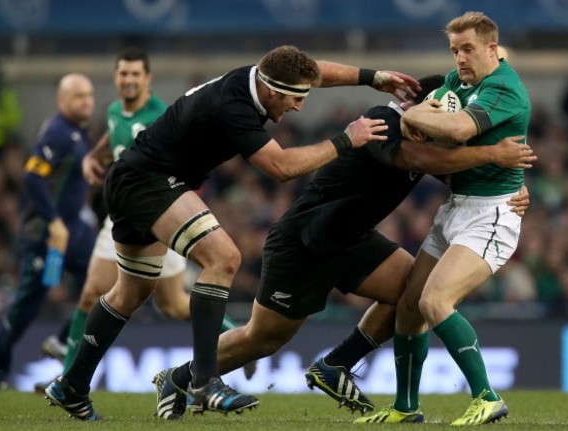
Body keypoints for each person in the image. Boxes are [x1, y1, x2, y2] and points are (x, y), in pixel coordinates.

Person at [43, 44, 420, 421]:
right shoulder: (234, 107)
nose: (299, 107)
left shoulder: (260, 76)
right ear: (272, 91)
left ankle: (71, 385)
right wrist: (345, 140)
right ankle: (204, 382)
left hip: (135, 178)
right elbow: (281, 166)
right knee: (223, 257)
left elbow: (312, 70)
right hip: (150, 182)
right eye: (294, 99)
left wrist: (373, 78)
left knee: (131, 292)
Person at [150, 74, 535, 420]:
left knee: (411, 293)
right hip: (305, 241)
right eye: (432, 117)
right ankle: (180, 377)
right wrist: (490, 153)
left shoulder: (427, 137)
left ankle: (337, 364)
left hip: (351, 240)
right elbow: (414, 157)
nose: (436, 129)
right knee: (263, 338)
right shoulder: (382, 119)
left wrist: (510, 189)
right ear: (418, 106)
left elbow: (457, 170)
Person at [35, 47, 254, 389]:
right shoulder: (113, 111)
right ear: (116, 77)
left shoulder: (160, 115)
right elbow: (113, 133)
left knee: (173, 303)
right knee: (93, 292)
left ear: (148, 79)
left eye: (136, 74)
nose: (129, 80)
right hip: (123, 210)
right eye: (124, 73)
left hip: (157, 210)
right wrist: (93, 156)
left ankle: (238, 339)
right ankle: (69, 378)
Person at [356, 11, 532, 425]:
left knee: (436, 301)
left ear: (492, 49)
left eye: (468, 49)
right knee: (410, 308)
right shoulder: (460, 81)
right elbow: (435, 126)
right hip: (456, 207)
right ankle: (405, 406)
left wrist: (411, 114)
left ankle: (488, 397)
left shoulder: (504, 88)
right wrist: (425, 117)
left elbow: (454, 130)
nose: (459, 59)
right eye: (454, 51)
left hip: (493, 214)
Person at [0, 74, 96, 388]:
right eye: (78, 96)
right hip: (46, 233)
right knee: (27, 305)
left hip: (73, 230)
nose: (87, 102)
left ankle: (63, 341)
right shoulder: (57, 132)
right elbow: (33, 178)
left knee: (103, 282)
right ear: (62, 100)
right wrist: (53, 221)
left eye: (89, 95)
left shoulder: (79, 134)